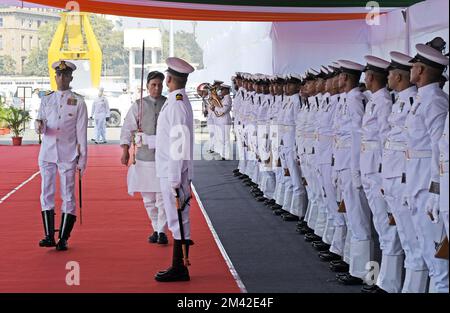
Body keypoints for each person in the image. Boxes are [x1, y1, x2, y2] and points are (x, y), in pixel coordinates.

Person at [405, 43, 449, 292]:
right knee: (424, 245)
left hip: (428, 184)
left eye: (414, 66)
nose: (411, 69)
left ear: (420, 70)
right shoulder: (423, 99)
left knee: (437, 257)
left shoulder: (435, 101)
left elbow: (438, 150)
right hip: (417, 180)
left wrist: (435, 189)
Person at [35, 60, 88, 251]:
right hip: (48, 152)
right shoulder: (46, 99)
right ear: (55, 77)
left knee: (68, 195)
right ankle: (49, 235)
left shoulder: (78, 101)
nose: (62, 78)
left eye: (65, 75)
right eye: (59, 75)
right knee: (46, 192)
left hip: (68, 153)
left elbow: (82, 133)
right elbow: (39, 122)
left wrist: (82, 160)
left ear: (71, 78)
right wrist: (38, 126)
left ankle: (63, 238)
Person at [154, 57, 195, 282]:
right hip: (171, 169)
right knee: (176, 218)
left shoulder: (177, 103)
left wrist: (175, 177)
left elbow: (179, 141)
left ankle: (180, 267)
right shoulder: (176, 100)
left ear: (169, 78)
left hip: (174, 171)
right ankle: (178, 265)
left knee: (178, 218)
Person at [120, 71, 168, 245]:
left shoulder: (168, 104)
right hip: (143, 157)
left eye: (160, 85)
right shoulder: (139, 105)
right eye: (153, 84)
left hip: (163, 158)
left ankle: (162, 231)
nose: (157, 88)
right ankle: (155, 227)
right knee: (148, 198)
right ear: (147, 86)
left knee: (162, 197)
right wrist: (125, 149)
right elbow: (127, 128)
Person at [213, 84, 232, 160]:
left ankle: (226, 155)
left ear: (227, 90)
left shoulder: (227, 99)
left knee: (225, 139)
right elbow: (219, 109)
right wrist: (214, 107)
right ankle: (222, 154)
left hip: (225, 120)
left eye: (222, 90)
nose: (221, 91)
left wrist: (216, 105)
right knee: (221, 138)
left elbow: (224, 110)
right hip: (221, 120)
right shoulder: (223, 98)